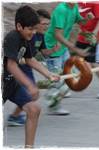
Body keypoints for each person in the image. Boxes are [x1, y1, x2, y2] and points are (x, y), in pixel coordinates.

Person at [2, 5, 60, 148]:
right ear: (19, 26)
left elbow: (30, 59)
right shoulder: (12, 37)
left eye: (35, 29)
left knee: (34, 109)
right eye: (31, 29)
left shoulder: (26, 38)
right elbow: (11, 65)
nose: (34, 33)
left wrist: (49, 74)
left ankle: (29, 147)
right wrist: (29, 85)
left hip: (11, 84)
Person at [44, 2, 89, 115]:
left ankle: (55, 93)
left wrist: (87, 18)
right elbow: (57, 34)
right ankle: (53, 106)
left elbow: (79, 21)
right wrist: (75, 49)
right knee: (57, 81)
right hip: (53, 48)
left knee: (70, 76)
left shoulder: (73, 7)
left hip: (63, 49)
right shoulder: (61, 9)